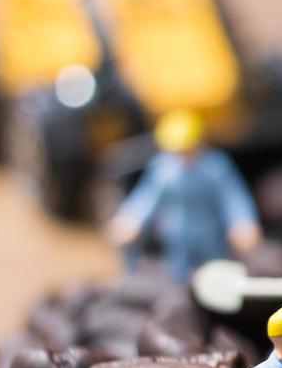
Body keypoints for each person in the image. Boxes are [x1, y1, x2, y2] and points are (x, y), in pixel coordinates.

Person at [107, 109, 261, 280]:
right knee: (177, 272)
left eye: (187, 149)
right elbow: (147, 197)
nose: (182, 156)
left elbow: (232, 196)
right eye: (177, 151)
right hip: (177, 233)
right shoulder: (164, 169)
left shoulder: (215, 167)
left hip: (208, 232)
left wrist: (242, 222)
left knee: (215, 270)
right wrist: (131, 219)